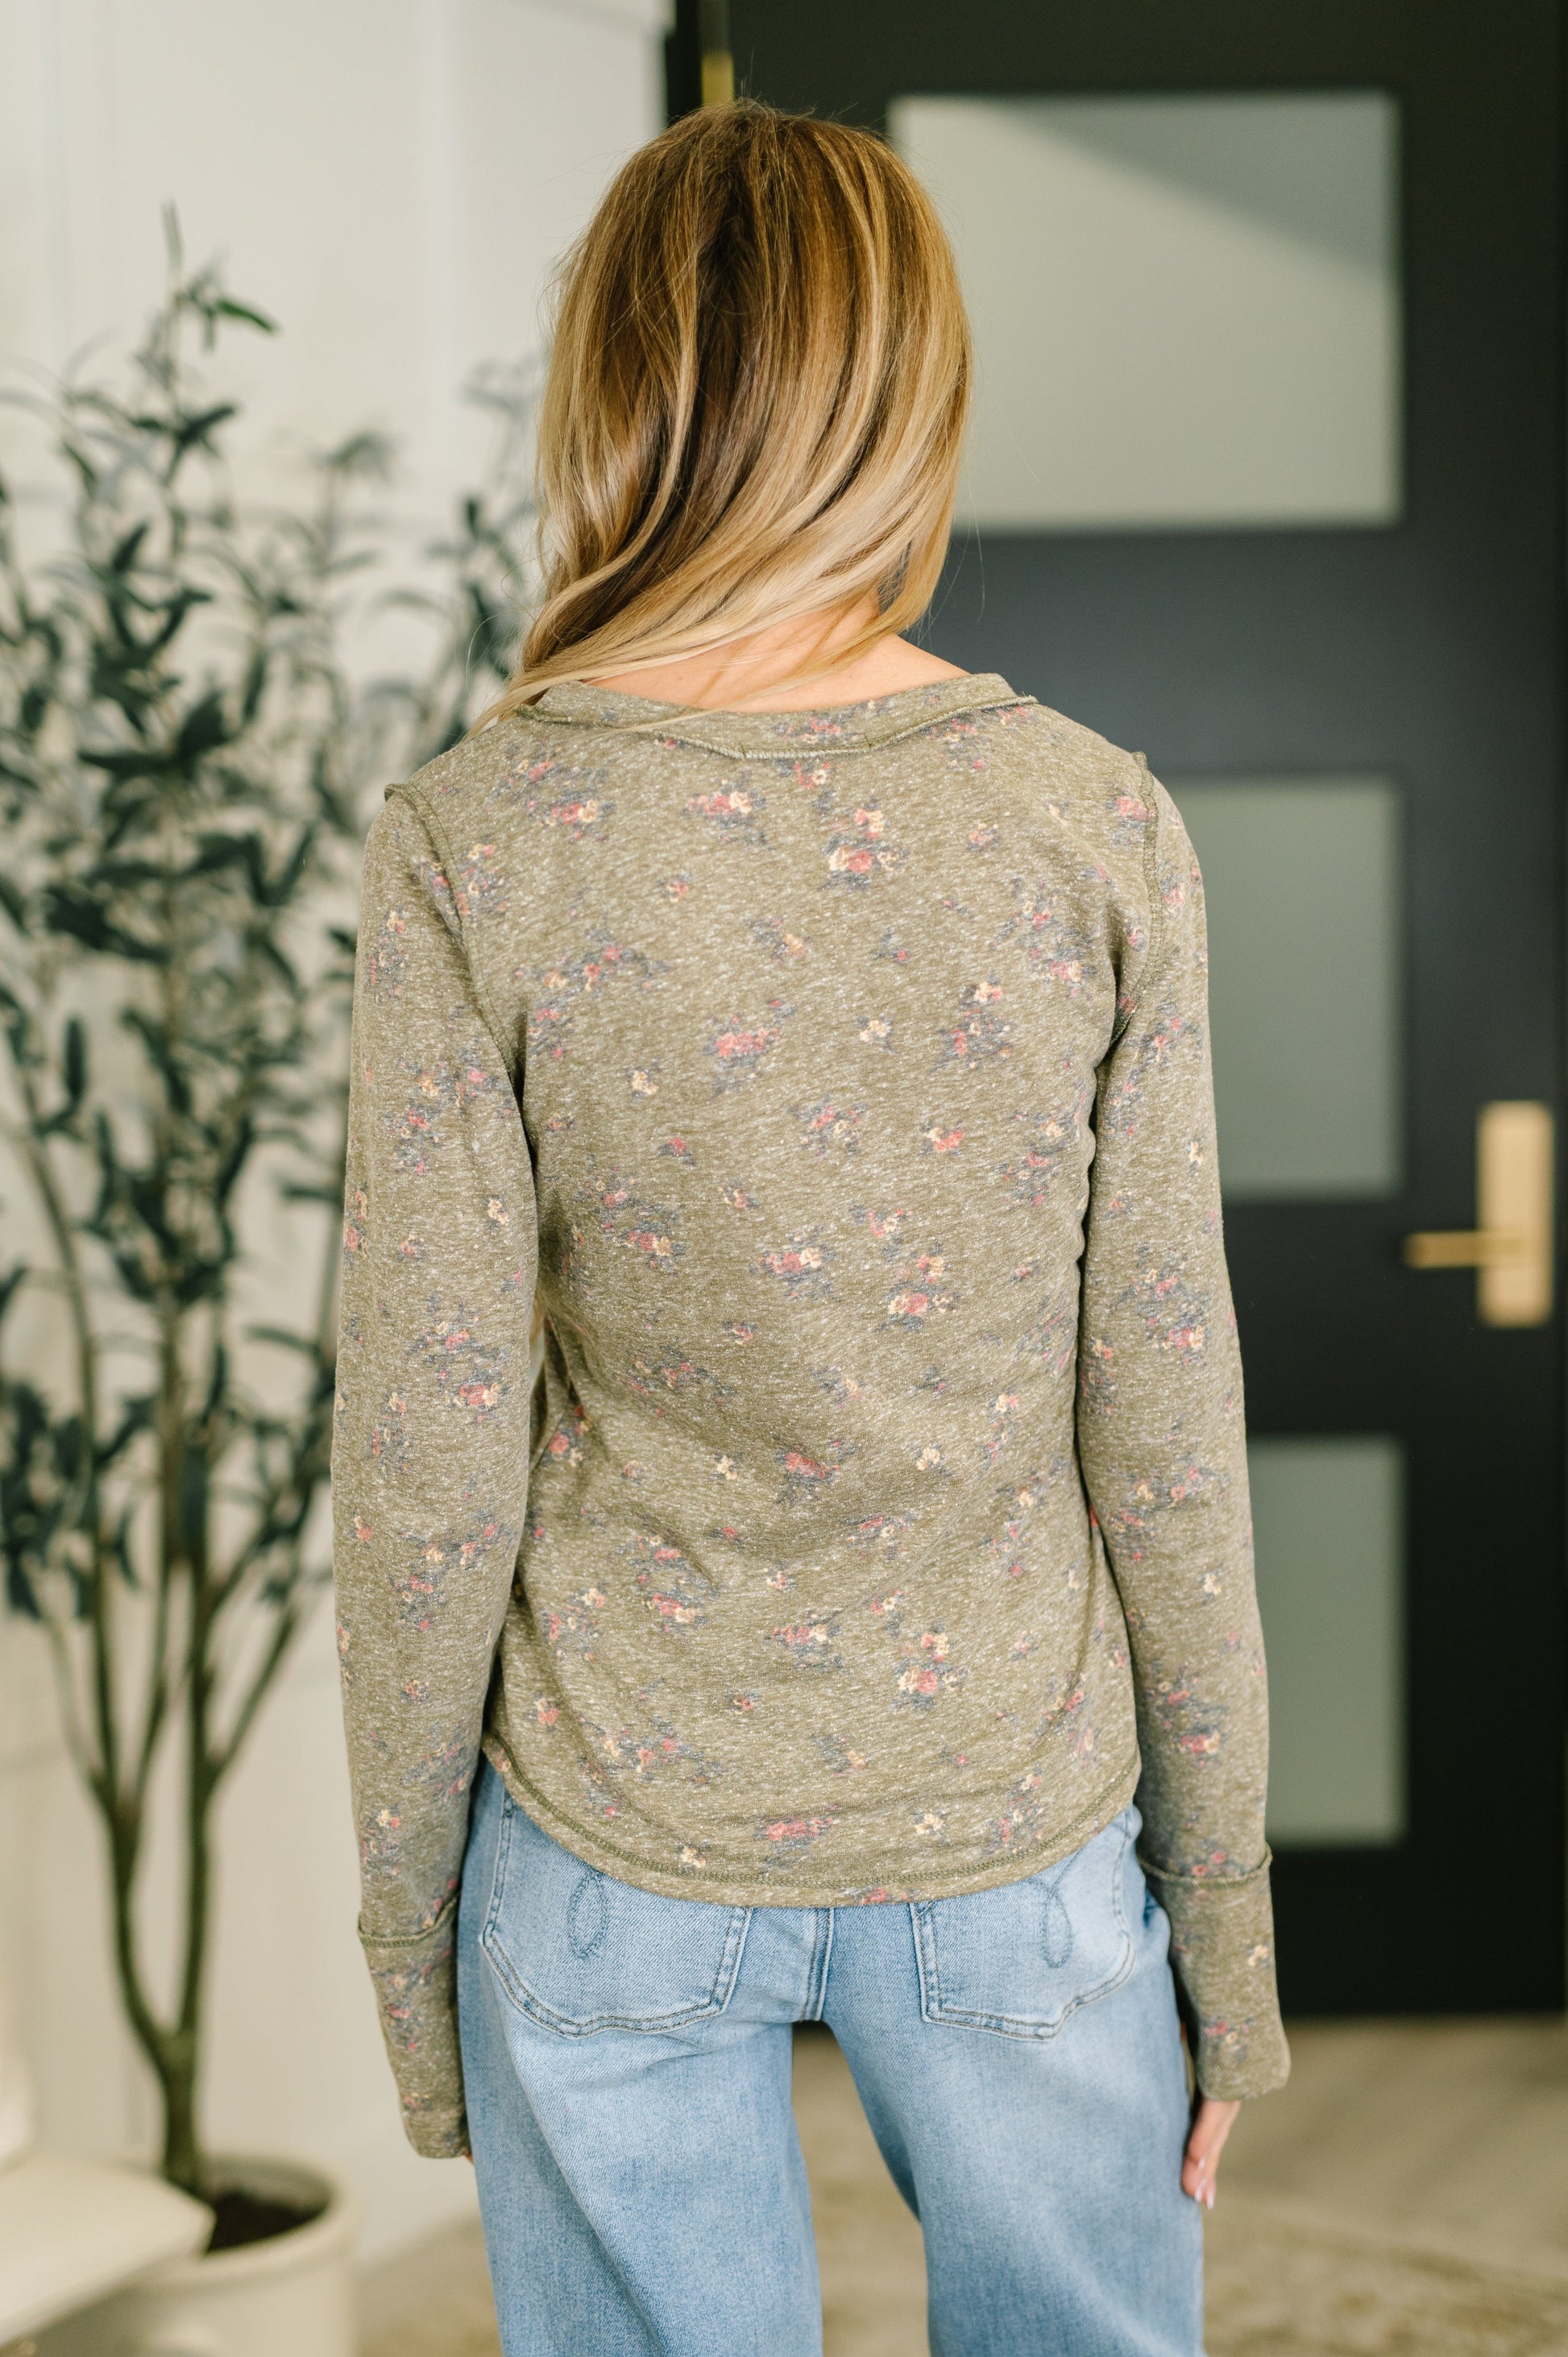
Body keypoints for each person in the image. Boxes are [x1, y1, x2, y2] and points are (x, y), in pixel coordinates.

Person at [331, 98, 1288, 2357]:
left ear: (611, 394)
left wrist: (413, 1962)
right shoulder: (1093, 825)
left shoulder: (481, 835)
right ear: (909, 397)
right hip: (1016, 1839)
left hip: (609, 1844)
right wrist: (1226, 1954)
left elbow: (426, 1466)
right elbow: (1165, 1425)